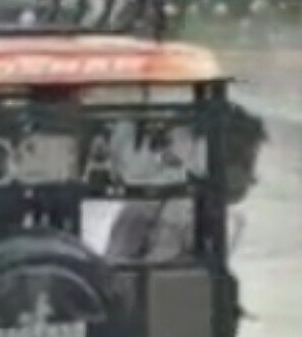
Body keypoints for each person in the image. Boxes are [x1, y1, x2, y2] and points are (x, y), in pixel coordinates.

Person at [104, 103, 267, 263]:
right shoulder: (152, 203)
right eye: (246, 164)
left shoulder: (220, 219)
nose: (253, 180)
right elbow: (116, 266)